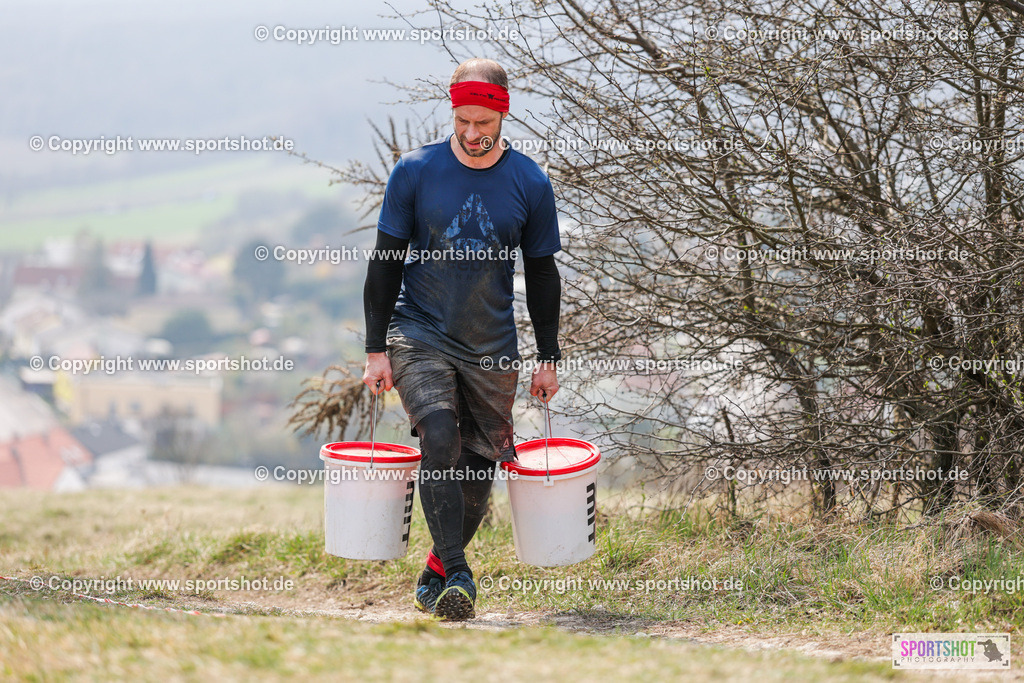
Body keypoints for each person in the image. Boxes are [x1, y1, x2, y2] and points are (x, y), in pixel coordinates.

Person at [361, 57, 562, 621]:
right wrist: (376, 349)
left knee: (477, 469)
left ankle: (436, 569)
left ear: (502, 114)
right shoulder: (415, 171)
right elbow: (385, 263)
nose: (471, 134)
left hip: (491, 346)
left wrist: (549, 358)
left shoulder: (529, 182)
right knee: (440, 436)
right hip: (418, 330)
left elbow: (544, 276)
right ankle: (461, 573)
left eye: (483, 123)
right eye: (462, 121)